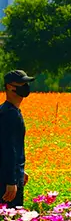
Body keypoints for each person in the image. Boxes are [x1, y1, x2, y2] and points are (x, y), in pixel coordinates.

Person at [0, 70, 34, 210]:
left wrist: (20, 171)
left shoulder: (7, 110)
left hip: (10, 175)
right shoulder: (9, 114)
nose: (25, 86)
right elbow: (8, 148)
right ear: (9, 86)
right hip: (6, 182)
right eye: (21, 83)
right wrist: (11, 180)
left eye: (26, 83)